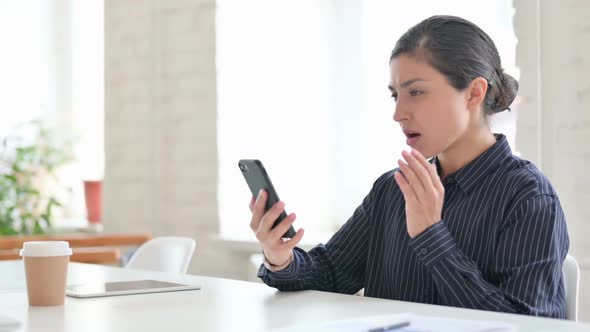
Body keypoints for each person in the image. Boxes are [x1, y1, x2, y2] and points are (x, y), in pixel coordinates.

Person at [248, 15, 570, 319]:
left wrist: (431, 235)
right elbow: (330, 272)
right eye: (395, 95)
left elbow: (529, 325)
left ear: (474, 92)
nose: (399, 113)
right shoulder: (393, 189)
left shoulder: (528, 198)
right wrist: (281, 258)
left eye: (416, 92)